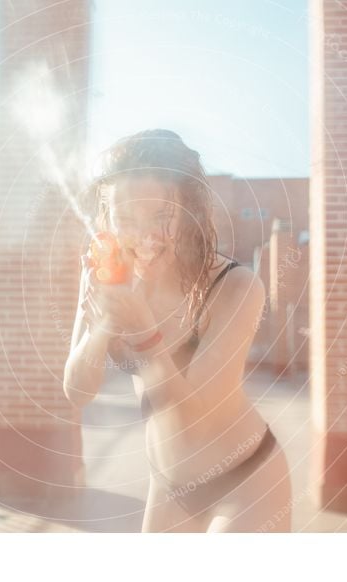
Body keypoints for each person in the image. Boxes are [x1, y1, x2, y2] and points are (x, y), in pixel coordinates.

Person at [63, 129, 292, 532]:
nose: (144, 235)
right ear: (107, 218)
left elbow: (191, 421)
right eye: (126, 218)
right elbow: (77, 390)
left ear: (190, 213)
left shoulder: (234, 288)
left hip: (244, 480)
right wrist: (101, 327)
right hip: (167, 486)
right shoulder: (106, 277)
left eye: (161, 216)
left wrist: (141, 331)